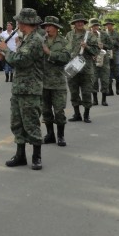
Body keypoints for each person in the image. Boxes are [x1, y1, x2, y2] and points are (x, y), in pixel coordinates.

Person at [0, 8, 44, 170]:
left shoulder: (35, 40)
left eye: (20, 22)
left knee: (31, 123)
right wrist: (5, 54)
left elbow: (22, 60)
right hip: (19, 87)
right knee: (17, 123)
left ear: (26, 23)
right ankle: (20, 155)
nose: (17, 24)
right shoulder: (25, 39)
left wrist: (5, 50)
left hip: (30, 89)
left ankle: (36, 156)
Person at [41, 16, 69, 144]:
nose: (47, 28)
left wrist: (50, 53)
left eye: (50, 26)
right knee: (46, 111)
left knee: (59, 111)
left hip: (58, 82)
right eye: (46, 26)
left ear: (56, 28)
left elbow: (66, 57)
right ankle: (50, 134)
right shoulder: (41, 40)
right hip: (43, 81)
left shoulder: (63, 41)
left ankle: (61, 136)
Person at [67, 16, 99, 125]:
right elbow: (65, 49)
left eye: (81, 22)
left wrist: (87, 47)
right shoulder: (69, 35)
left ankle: (86, 114)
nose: (80, 23)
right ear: (74, 24)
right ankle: (77, 114)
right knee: (74, 92)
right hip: (72, 68)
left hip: (86, 68)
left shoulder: (89, 35)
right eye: (77, 22)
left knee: (86, 92)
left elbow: (96, 51)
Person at [103, 18, 119, 97]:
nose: (108, 26)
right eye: (107, 25)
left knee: (117, 70)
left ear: (112, 25)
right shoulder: (103, 34)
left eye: (109, 24)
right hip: (106, 54)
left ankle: (117, 85)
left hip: (115, 53)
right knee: (107, 71)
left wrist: (113, 42)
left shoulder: (116, 34)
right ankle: (110, 89)